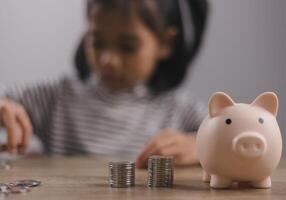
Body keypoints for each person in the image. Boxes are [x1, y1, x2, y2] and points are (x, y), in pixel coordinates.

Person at [0, 0, 209, 168]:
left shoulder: (178, 108)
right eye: (97, 42)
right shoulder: (57, 98)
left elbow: (234, 134)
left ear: (165, 43)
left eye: (128, 47)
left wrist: (200, 147)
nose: (108, 60)